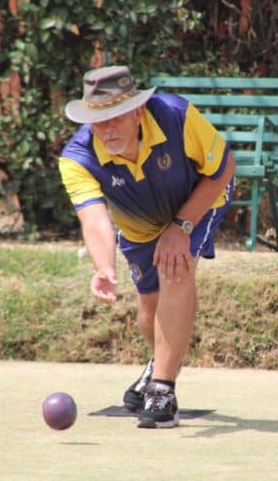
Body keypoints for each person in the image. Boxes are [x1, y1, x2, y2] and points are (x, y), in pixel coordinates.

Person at [58, 65, 236, 427]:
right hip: (139, 224)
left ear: (137, 112)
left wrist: (181, 226)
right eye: (97, 120)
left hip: (199, 200)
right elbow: (94, 219)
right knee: (147, 314)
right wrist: (104, 266)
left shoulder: (176, 116)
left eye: (115, 117)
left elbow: (223, 168)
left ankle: (162, 390)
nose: (106, 129)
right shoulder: (77, 159)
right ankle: (159, 362)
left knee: (175, 269)